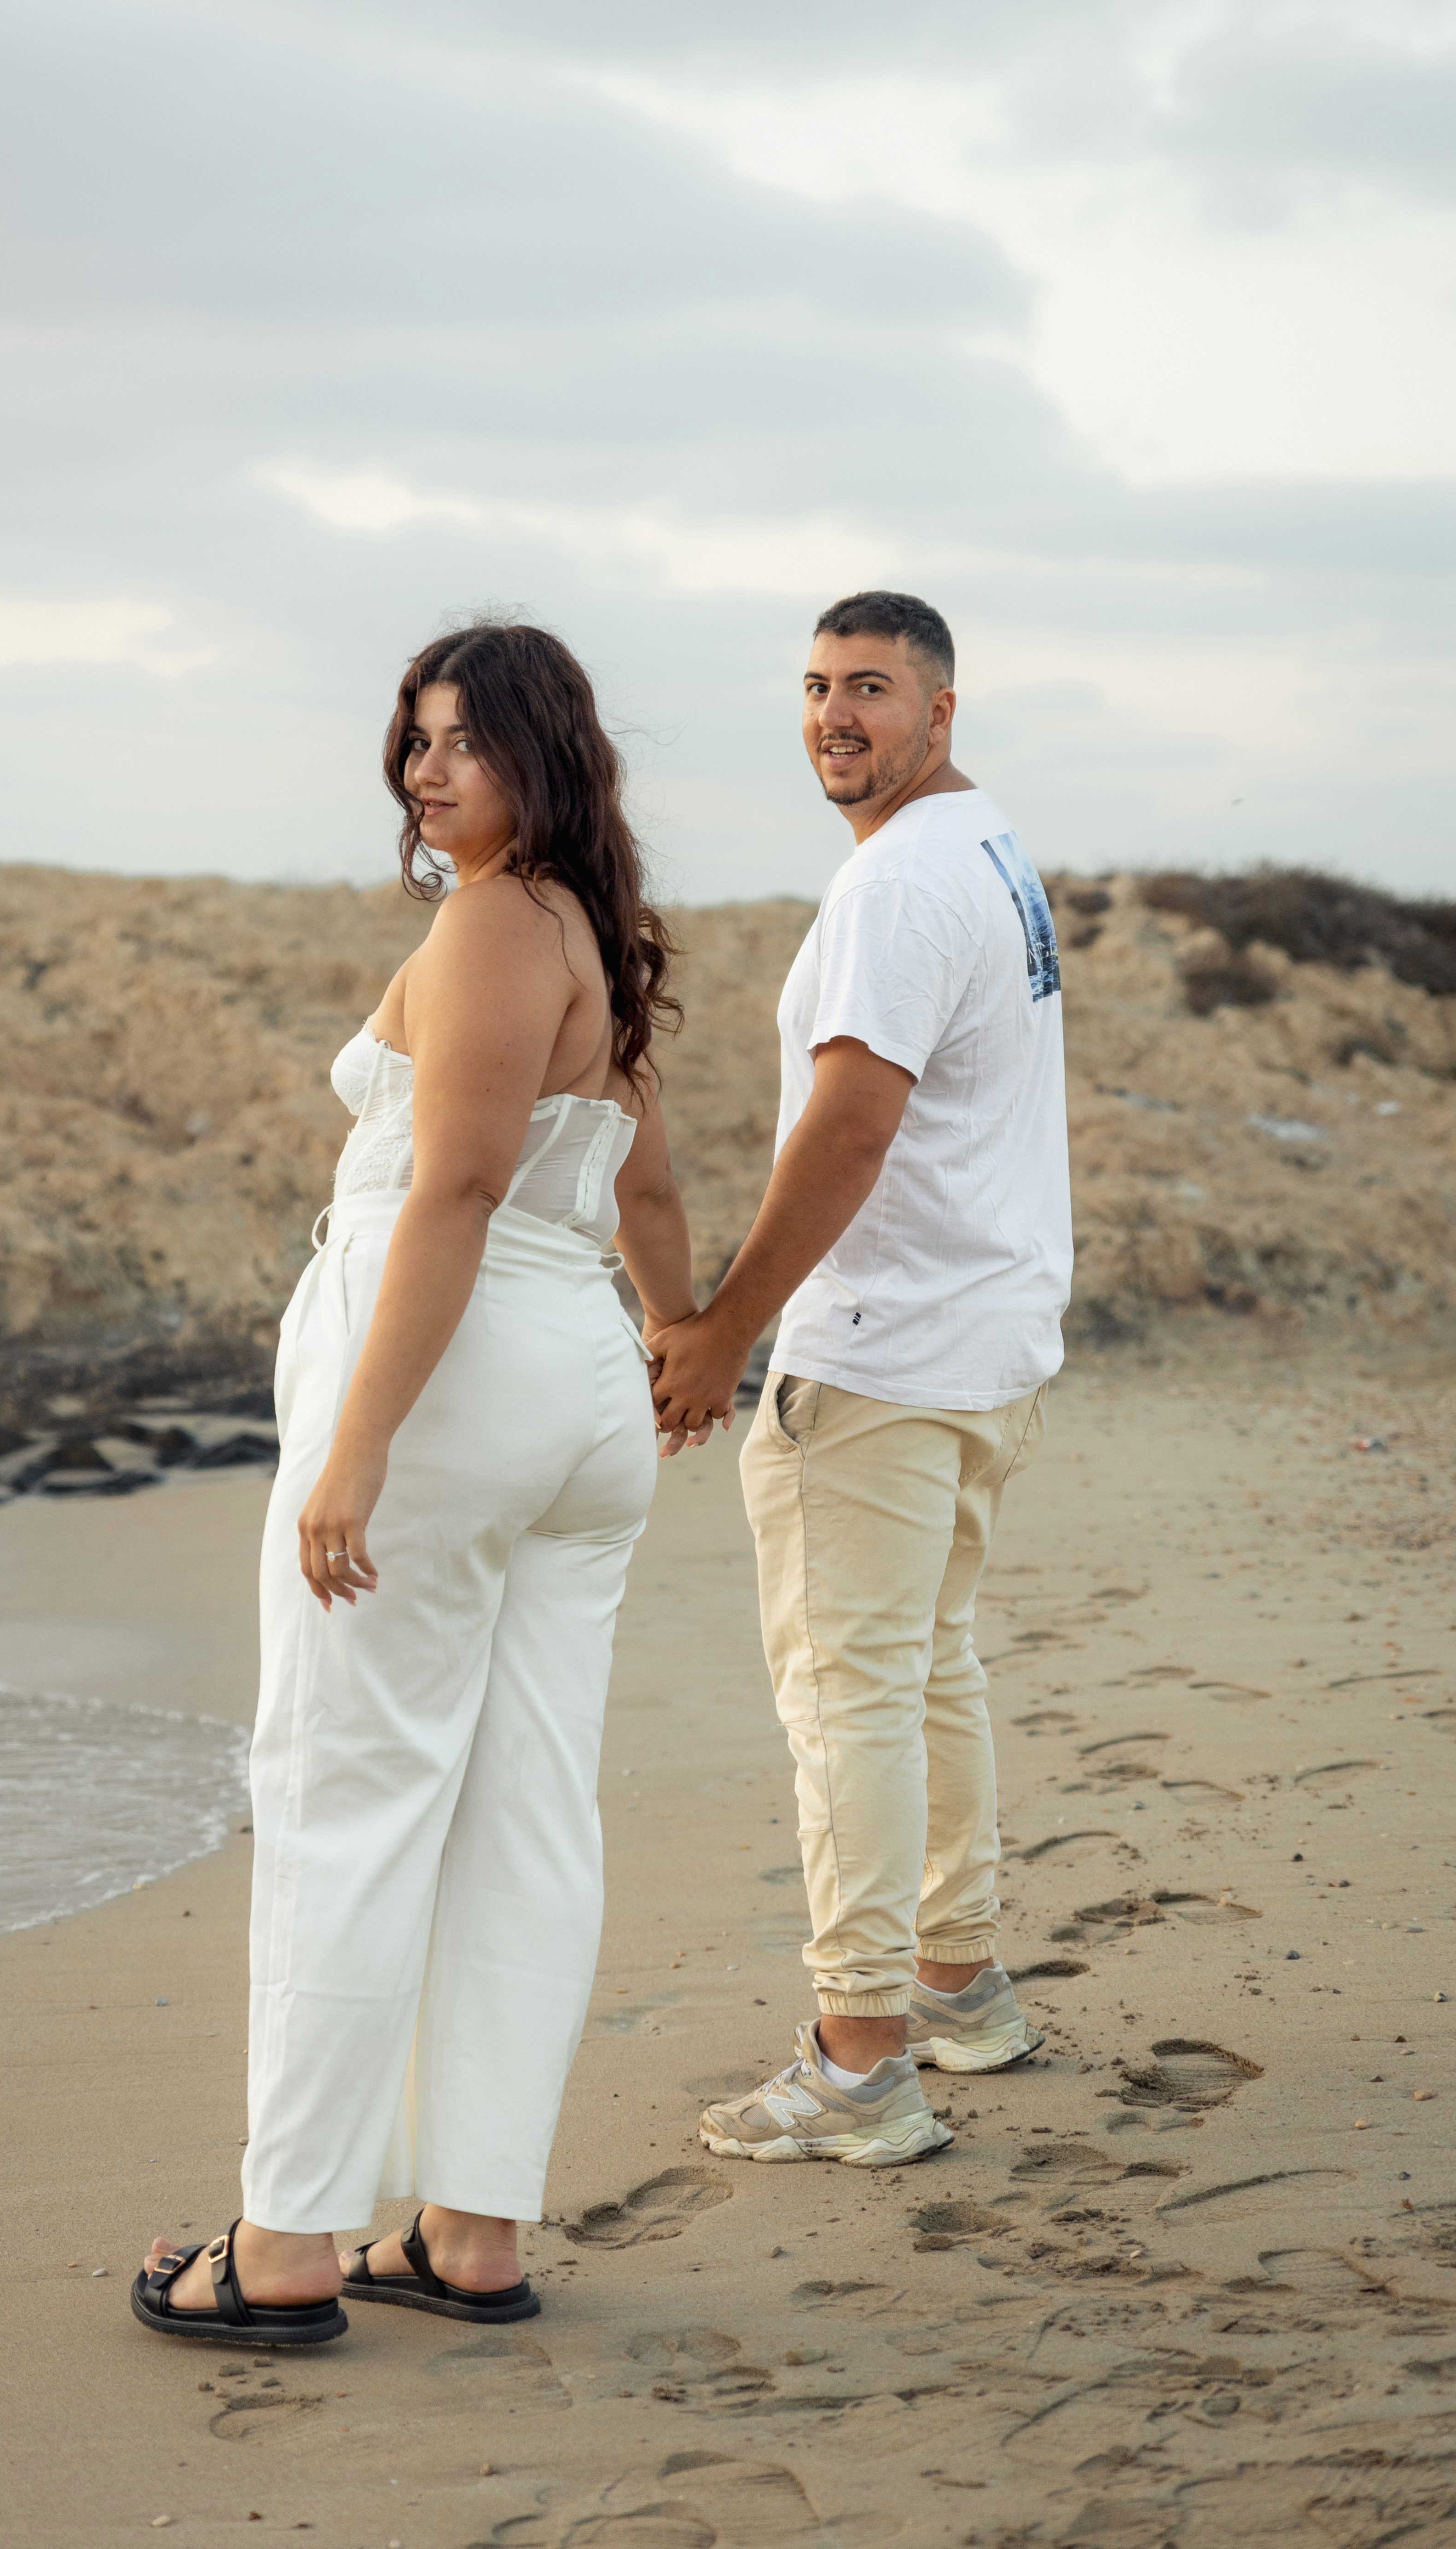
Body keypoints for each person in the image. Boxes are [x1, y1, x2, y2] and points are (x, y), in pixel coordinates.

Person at [135, 621, 714, 2346]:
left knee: (346, 1786)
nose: (424, 768)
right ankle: (470, 2230)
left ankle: (291, 2239)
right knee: (523, 1810)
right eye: (416, 738)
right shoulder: (590, 938)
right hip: (577, 1395)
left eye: (463, 738)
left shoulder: (487, 926)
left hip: (456, 1386)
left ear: (544, 752)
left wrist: (358, 1445)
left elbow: (453, 1192)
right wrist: (681, 1341)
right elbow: (649, 1189)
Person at [648, 590, 1070, 2170]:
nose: (836, 713)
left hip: (889, 1358)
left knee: (849, 1705)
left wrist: (727, 1326)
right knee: (925, 1673)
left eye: (873, 688)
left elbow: (852, 1126)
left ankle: (860, 2065)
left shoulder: (898, 887)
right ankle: (958, 1990)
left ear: (941, 710)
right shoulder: (988, 849)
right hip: (984, 1342)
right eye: (819, 684)